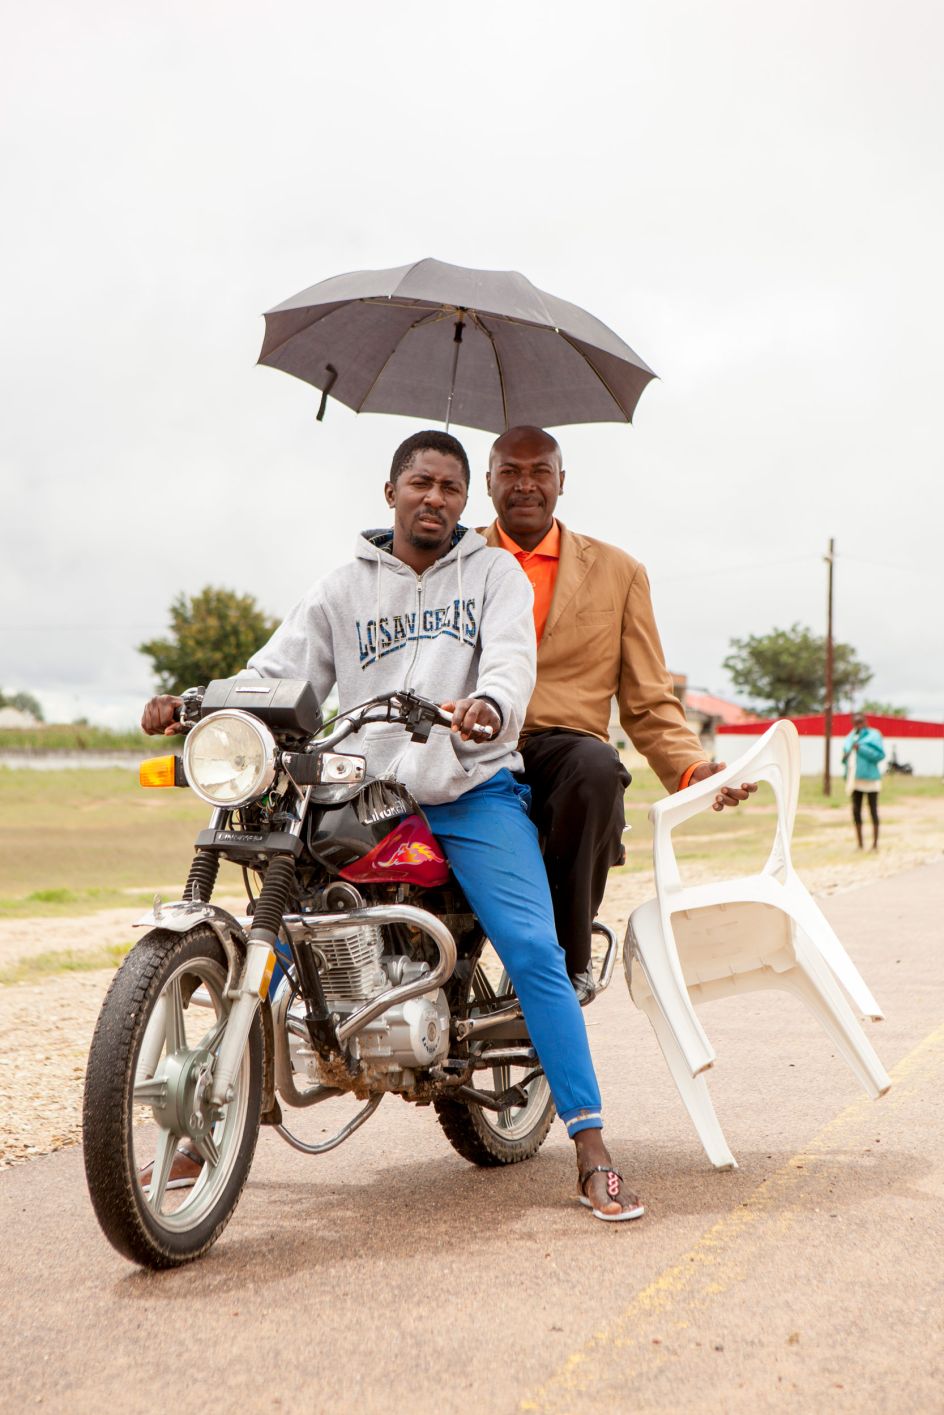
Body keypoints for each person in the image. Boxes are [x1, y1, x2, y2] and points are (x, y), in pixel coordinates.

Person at [142, 429, 644, 1222]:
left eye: (450, 487)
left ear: (463, 501)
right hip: (365, 788)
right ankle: (208, 1121)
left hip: (470, 788)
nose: (435, 498)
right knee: (279, 929)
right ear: (392, 492)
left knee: (534, 949)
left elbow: (512, 663)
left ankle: (590, 1144)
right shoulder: (345, 587)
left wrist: (491, 707)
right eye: (422, 482)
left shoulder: (495, 574)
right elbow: (276, 670)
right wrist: (197, 700)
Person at [482, 426, 756, 1000]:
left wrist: (692, 769)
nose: (525, 484)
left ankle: (565, 963)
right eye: (510, 471)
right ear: (487, 482)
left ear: (562, 481)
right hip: (472, 748)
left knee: (598, 767)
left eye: (540, 471)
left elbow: (649, 698)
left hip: (565, 752)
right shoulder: (457, 560)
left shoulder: (618, 572)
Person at [842, 712, 885, 849]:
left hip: (870, 778)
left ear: (865, 721)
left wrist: (861, 749)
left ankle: (875, 844)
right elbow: (846, 756)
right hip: (855, 778)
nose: (858, 724)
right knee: (856, 810)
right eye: (856, 722)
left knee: (873, 810)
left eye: (860, 721)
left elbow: (879, 755)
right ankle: (860, 844)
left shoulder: (874, 735)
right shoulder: (851, 736)